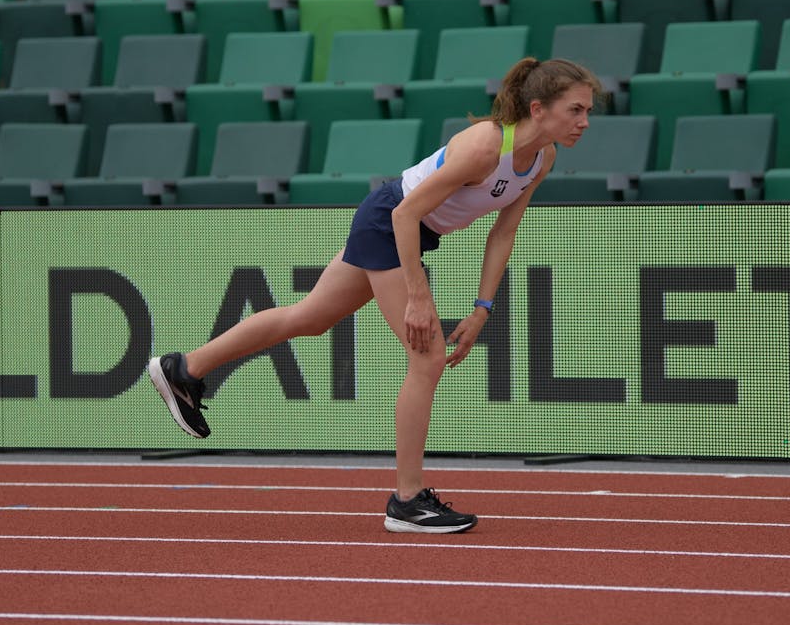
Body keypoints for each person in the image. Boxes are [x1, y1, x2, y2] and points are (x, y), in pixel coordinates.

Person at [149, 57, 600, 534]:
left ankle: (185, 368)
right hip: (390, 220)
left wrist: (482, 307)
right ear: (538, 108)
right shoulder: (485, 146)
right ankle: (407, 501)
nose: (584, 122)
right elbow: (405, 214)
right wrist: (417, 296)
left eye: (588, 111)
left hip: (402, 228)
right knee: (426, 359)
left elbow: (503, 233)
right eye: (575, 110)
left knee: (310, 317)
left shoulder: (544, 157)